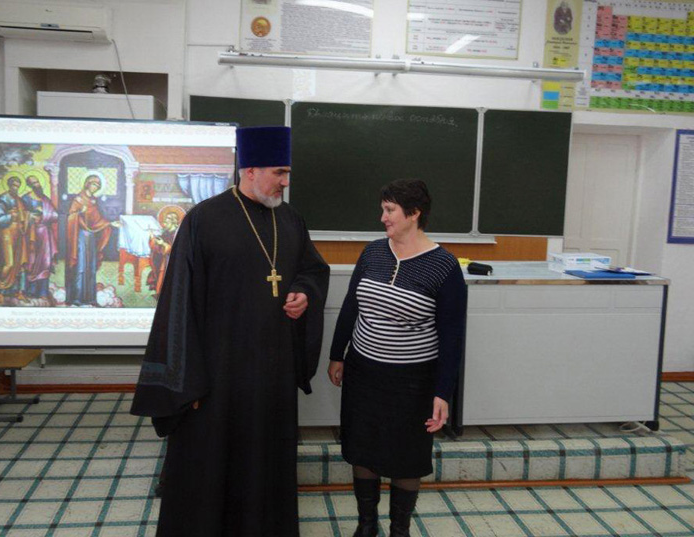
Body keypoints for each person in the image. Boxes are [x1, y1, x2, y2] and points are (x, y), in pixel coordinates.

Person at [131, 126, 330, 537]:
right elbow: (179, 302)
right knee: (212, 467)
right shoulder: (204, 220)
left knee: (266, 465)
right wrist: (187, 379)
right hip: (218, 377)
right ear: (250, 169)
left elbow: (313, 269)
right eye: (279, 172)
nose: (285, 182)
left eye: (287, 173)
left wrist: (303, 292)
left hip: (273, 375)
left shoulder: (290, 219)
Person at [327, 179, 467, 537]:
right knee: (363, 449)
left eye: (390, 210)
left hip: (412, 382)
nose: (383, 217)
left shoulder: (444, 266)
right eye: (383, 209)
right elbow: (352, 305)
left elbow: (452, 337)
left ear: (414, 213)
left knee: (406, 456)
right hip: (363, 373)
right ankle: (367, 524)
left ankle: (399, 529)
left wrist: (443, 392)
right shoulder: (372, 253)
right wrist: (337, 354)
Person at [65, 174, 119, 306]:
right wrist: (79, 213)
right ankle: (77, 298)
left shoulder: (93, 201)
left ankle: (89, 298)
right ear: (87, 184)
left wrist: (110, 223)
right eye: (94, 184)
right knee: (81, 266)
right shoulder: (78, 199)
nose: (96, 187)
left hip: (91, 238)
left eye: (98, 186)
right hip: (80, 237)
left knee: (90, 266)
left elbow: (97, 220)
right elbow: (70, 217)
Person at [0, 175, 31, 303]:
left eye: (18, 186)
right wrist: (11, 216)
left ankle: (20, 292)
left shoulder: (19, 200)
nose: (15, 188)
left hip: (19, 233)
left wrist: (27, 217)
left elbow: (24, 216)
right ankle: (0, 291)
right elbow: (0, 220)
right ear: (9, 185)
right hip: (6, 233)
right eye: (13, 185)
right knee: (9, 263)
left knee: (21, 263)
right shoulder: (3, 199)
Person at [22, 175, 58, 301]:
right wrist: (31, 216)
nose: (36, 184)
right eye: (33, 183)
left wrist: (44, 215)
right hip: (31, 234)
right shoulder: (26, 199)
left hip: (45, 234)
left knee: (45, 262)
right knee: (32, 261)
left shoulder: (45, 199)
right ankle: (30, 291)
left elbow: (55, 215)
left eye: (37, 181)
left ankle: (43, 291)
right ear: (29, 185)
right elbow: (22, 215)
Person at [146, 205, 184, 298]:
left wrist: (163, 244)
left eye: (166, 222)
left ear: (173, 222)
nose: (164, 224)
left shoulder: (179, 233)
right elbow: (158, 246)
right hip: (163, 259)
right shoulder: (165, 232)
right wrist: (152, 238)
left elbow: (178, 249)